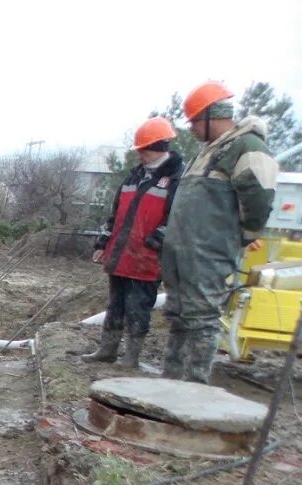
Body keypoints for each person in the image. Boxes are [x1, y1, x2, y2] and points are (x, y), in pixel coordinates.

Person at [160, 81, 279, 383]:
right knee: (178, 316)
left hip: (208, 252)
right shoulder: (209, 151)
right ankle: (169, 382)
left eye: (195, 122)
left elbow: (259, 200)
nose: (192, 129)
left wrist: (244, 236)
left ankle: (193, 387)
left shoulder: (248, 148)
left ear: (212, 116)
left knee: (201, 319)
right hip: (183, 251)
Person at [85, 117, 184, 369]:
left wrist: (154, 241)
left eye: (144, 149)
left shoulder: (176, 180)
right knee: (115, 304)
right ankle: (107, 350)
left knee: (138, 307)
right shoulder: (134, 177)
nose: (140, 154)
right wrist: (102, 243)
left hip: (148, 260)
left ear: (159, 146)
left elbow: (179, 220)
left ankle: (131, 357)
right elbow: (116, 215)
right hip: (121, 255)